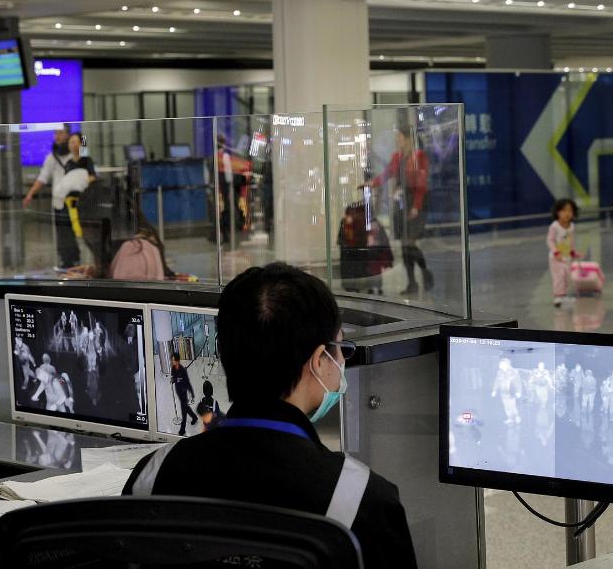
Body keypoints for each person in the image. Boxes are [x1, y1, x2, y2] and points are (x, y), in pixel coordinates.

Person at [123, 263, 418, 569]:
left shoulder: (152, 477)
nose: (342, 360)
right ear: (318, 360)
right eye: (340, 348)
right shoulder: (361, 501)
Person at [366, 120, 432, 296]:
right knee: (404, 245)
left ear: (408, 139)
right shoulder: (397, 157)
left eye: (399, 137)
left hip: (416, 203)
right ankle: (412, 282)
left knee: (409, 243)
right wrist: (372, 183)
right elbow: (387, 173)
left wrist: (416, 207)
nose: (397, 140)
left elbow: (421, 186)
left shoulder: (419, 157)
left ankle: (425, 273)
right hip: (401, 204)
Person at [23, 127, 80, 269]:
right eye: (55, 133)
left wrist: (81, 136)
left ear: (68, 135)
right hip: (60, 201)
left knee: (78, 230)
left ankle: (77, 258)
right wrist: (31, 193)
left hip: (77, 201)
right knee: (62, 232)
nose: (57, 136)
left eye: (61, 133)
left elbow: (85, 149)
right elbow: (42, 178)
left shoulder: (76, 154)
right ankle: (66, 261)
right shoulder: (52, 157)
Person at [547, 199, 580, 308]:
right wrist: (556, 252)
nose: (567, 213)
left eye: (570, 211)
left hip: (567, 257)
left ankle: (564, 296)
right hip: (556, 258)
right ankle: (558, 296)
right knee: (559, 276)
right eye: (564, 210)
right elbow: (550, 240)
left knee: (568, 276)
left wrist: (573, 251)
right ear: (557, 212)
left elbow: (571, 240)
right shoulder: (554, 226)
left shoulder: (572, 227)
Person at [170, 353, 198, 436]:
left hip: (183, 392)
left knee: (183, 411)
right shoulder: (173, 368)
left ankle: (182, 429)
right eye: (172, 360)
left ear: (178, 361)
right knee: (186, 407)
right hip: (178, 391)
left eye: (174, 360)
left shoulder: (183, 370)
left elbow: (187, 382)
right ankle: (194, 417)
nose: (173, 361)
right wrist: (174, 379)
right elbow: (174, 377)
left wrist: (192, 392)